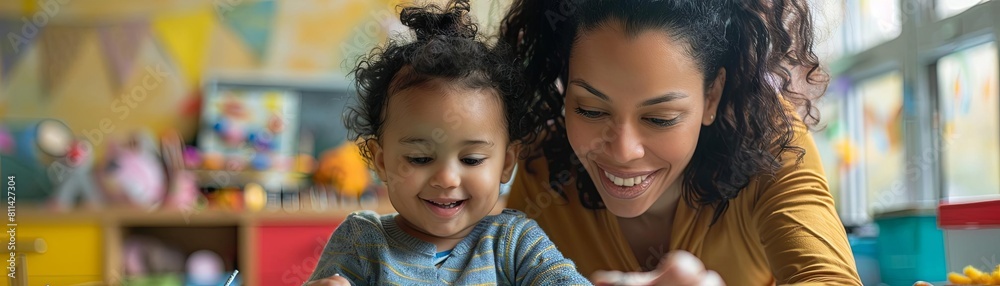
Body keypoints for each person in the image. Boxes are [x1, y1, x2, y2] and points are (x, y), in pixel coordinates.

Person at [498, 0, 863, 285]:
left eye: (660, 119)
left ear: (712, 96)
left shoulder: (768, 141)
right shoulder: (543, 166)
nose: (624, 151)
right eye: (591, 110)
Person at [304, 1, 591, 285]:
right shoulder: (361, 243)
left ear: (506, 162)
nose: (446, 179)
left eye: (471, 159)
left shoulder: (516, 244)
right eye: (419, 158)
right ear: (381, 161)